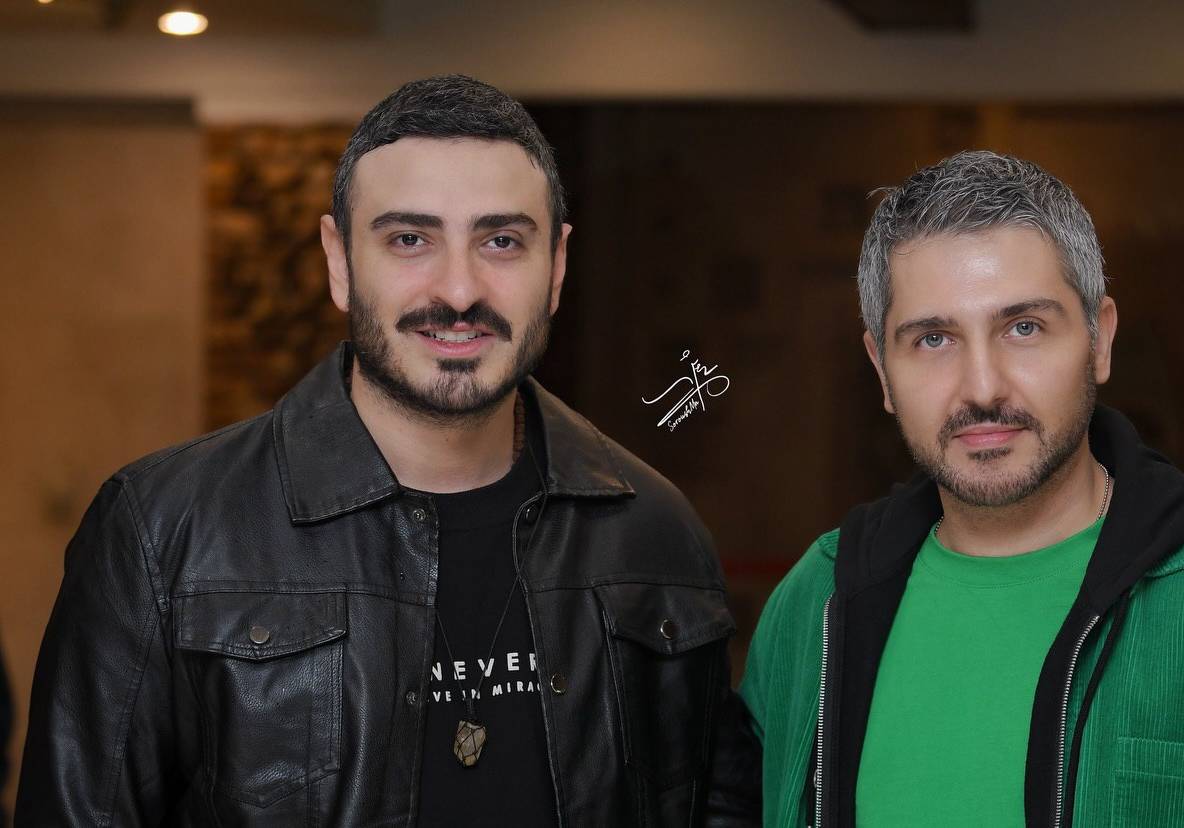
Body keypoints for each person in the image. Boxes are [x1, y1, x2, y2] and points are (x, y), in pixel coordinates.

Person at [17, 75, 740, 826]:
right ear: (340, 260)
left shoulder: (655, 533)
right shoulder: (162, 533)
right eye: (409, 239)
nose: (457, 291)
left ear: (555, 267)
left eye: (501, 241)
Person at [736, 151, 1184, 827]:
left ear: (1099, 340)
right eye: (934, 339)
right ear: (882, 370)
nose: (982, 387)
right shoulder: (815, 605)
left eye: (1023, 328)